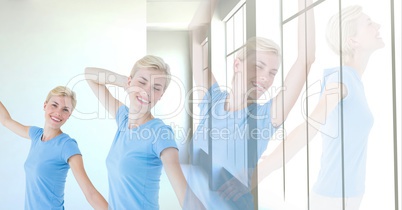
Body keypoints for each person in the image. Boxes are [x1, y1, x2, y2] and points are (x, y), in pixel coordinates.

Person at [254, 5, 384, 210]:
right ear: (353, 41)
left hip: (351, 195)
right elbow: (310, 126)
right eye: (369, 23)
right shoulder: (340, 80)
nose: (378, 25)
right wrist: (261, 171)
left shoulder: (355, 81)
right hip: (331, 199)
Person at [191, 0, 315, 208]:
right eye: (258, 66)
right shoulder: (212, 100)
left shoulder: (265, 117)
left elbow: (305, 59)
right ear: (238, 64)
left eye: (273, 73)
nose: (265, 78)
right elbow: (195, 41)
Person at [85, 55, 205, 210]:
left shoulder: (160, 134)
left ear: (160, 96)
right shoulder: (123, 119)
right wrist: (127, 83)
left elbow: (184, 194)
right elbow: (89, 74)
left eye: (156, 88)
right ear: (130, 82)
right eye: (142, 82)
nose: (147, 91)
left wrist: (135, 84)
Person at [0, 86, 108, 210]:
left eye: (65, 109)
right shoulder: (36, 135)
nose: (58, 113)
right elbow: (5, 120)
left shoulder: (67, 145)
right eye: (54, 105)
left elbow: (90, 193)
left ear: (69, 115)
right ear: (45, 105)